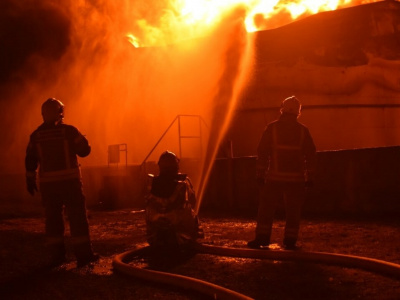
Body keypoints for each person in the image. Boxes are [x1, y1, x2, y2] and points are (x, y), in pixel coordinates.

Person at [25, 98, 98, 267]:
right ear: (61, 113)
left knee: (53, 219)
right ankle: (84, 255)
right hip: (70, 183)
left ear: (43, 114)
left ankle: (57, 257)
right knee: (77, 218)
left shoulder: (36, 136)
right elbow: (85, 151)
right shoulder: (69, 132)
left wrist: (30, 179)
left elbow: (30, 159)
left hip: (48, 186)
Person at [248, 96, 316, 250]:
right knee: (293, 211)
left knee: (266, 208)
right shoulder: (303, 131)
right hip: (296, 180)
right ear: (298, 112)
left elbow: (262, 152)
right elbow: (311, 154)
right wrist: (310, 177)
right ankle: (290, 241)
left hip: (274, 178)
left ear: (282, 110)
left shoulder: (272, 128)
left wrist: (260, 175)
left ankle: (262, 238)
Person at [145, 151, 202, 251]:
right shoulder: (184, 183)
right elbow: (193, 201)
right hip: (180, 232)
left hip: (155, 230)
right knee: (193, 214)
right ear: (176, 165)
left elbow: (146, 202)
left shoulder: (151, 182)